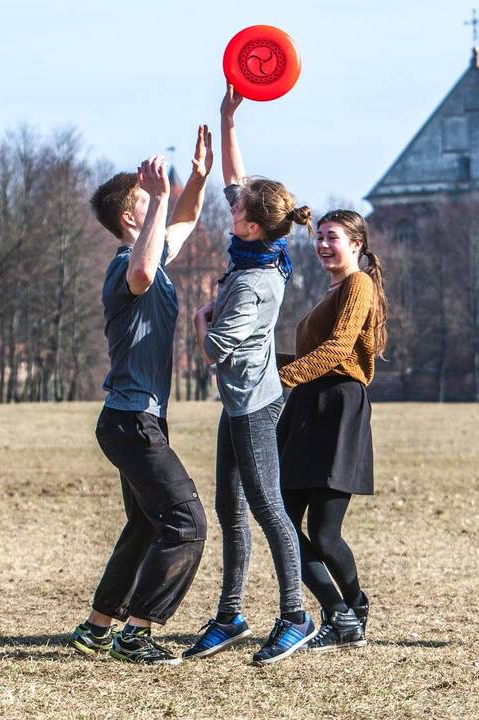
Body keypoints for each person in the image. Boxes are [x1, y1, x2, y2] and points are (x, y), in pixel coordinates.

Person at [68, 126, 212, 665]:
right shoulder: (122, 269)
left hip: (135, 421)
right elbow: (144, 267)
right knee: (187, 524)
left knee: (147, 523)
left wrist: (196, 179)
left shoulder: (151, 248)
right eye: (145, 203)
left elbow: (186, 222)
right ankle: (139, 631)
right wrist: (159, 199)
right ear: (131, 217)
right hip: (131, 422)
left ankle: (97, 627)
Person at [186, 85, 315, 666]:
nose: (229, 207)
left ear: (256, 226)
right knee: (229, 508)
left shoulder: (255, 281)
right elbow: (234, 178)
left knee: (268, 508)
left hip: (256, 403)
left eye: (238, 210)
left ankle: (296, 615)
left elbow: (215, 348)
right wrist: (227, 117)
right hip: (236, 404)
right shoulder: (254, 249)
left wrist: (200, 316)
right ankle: (231, 613)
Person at [275, 210, 387, 652]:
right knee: (280, 517)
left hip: (337, 407)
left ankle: (351, 610)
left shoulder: (359, 285)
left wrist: (286, 377)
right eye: (318, 236)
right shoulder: (334, 290)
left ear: (356, 244)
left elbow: (340, 350)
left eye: (332, 237)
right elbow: (317, 354)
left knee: (323, 532)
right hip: (310, 405)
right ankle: (341, 615)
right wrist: (257, 363)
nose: (322, 244)